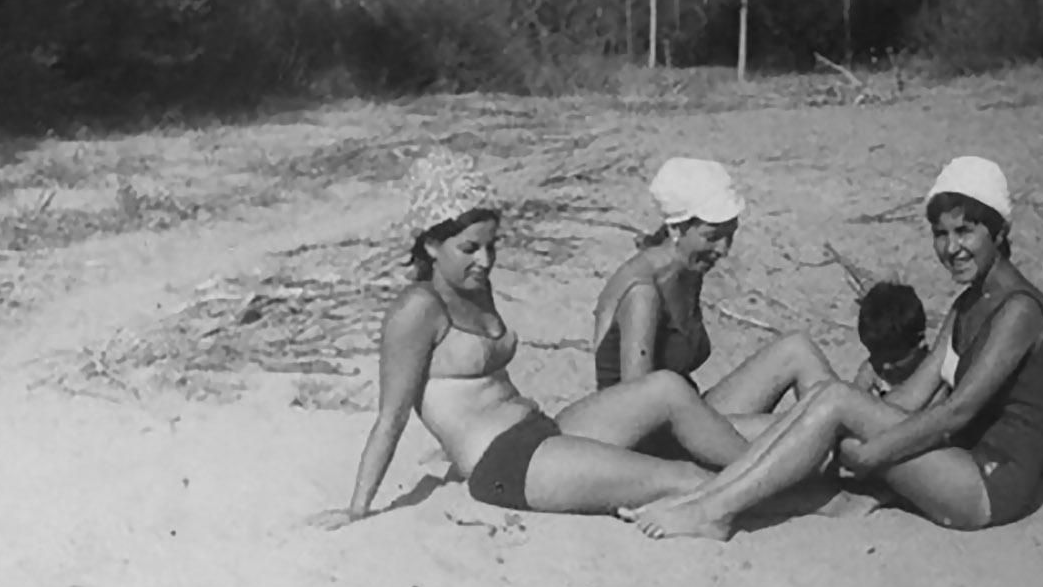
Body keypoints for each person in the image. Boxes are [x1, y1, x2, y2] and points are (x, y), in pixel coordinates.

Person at [624, 156, 1043, 540]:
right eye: (941, 234)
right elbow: (912, 397)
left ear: (999, 231)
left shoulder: (1018, 311)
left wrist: (874, 452)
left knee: (834, 403)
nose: (952, 248)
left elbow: (957, 412)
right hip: (957, 462)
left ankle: (713, 511)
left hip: (987, 486)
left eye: (965, 232)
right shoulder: (969, 304)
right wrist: (833, 421)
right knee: (827, 399)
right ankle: (703, 495)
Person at [311, 149, 753, 527]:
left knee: (666, 389)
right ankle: (771, 487)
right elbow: (391, 417)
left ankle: (770, 466)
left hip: (542, 430)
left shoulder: (474, 286)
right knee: (686, 479)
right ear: (430, 246)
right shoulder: (416, 309)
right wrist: (357, 508)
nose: (485, 261)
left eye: (491, 246)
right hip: (504, 464)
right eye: (469, 249)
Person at [592, 157, 838, 438]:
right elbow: (636, 410)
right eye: (712, 237)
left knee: (798, 349)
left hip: (684, 416)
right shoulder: (643, 294)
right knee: (812, 424)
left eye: (729, 235)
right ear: (676, 229)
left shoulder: (688, 271)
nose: (723, 250)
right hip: (646, 438)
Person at [851, 280, 930, 397]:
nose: (885, 366)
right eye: (877, 356)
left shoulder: (933, 376)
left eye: (894, 360)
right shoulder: (872, 371)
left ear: (920, 342)